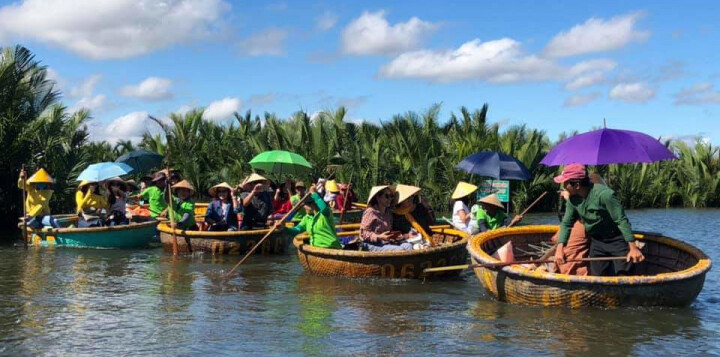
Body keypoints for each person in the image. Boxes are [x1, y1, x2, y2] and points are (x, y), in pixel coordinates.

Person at [554, 164, 644, 276]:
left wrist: (633, 248)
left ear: (577, 185)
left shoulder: (605, 195)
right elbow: (566, 224)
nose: (563, 186)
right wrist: (559, 249)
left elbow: (621, 220)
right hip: (597, 241)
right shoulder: (573, 200)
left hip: (616, 239)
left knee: (623, 274)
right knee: (597, 275)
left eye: (565, 183)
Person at [550, 172, 607, 276]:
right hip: (572, 270)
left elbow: (555, 239)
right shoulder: (581, 222)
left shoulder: (584, 221)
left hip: (568, 269)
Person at [287, 182, 342, 249]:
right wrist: (284, 228)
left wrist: (314, 193)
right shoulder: (307, 218)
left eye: (306, 205)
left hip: (331, 247)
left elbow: (324, 208)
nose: (304, 207)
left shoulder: (325, 214)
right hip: (317, 248)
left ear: (312, 205)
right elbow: (296, 230)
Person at [360, 185, 412, 251]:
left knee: (408, 246)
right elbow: (363, 233)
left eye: (391, 196)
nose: (390, 199)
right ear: (378, 197)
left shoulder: (388, 212)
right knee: (400, 250)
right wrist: (379, 237)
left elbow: (387, 231)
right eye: (387, 196)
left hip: (386, 242)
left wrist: (394, 236)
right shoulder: (370, 212)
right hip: (372, 244)